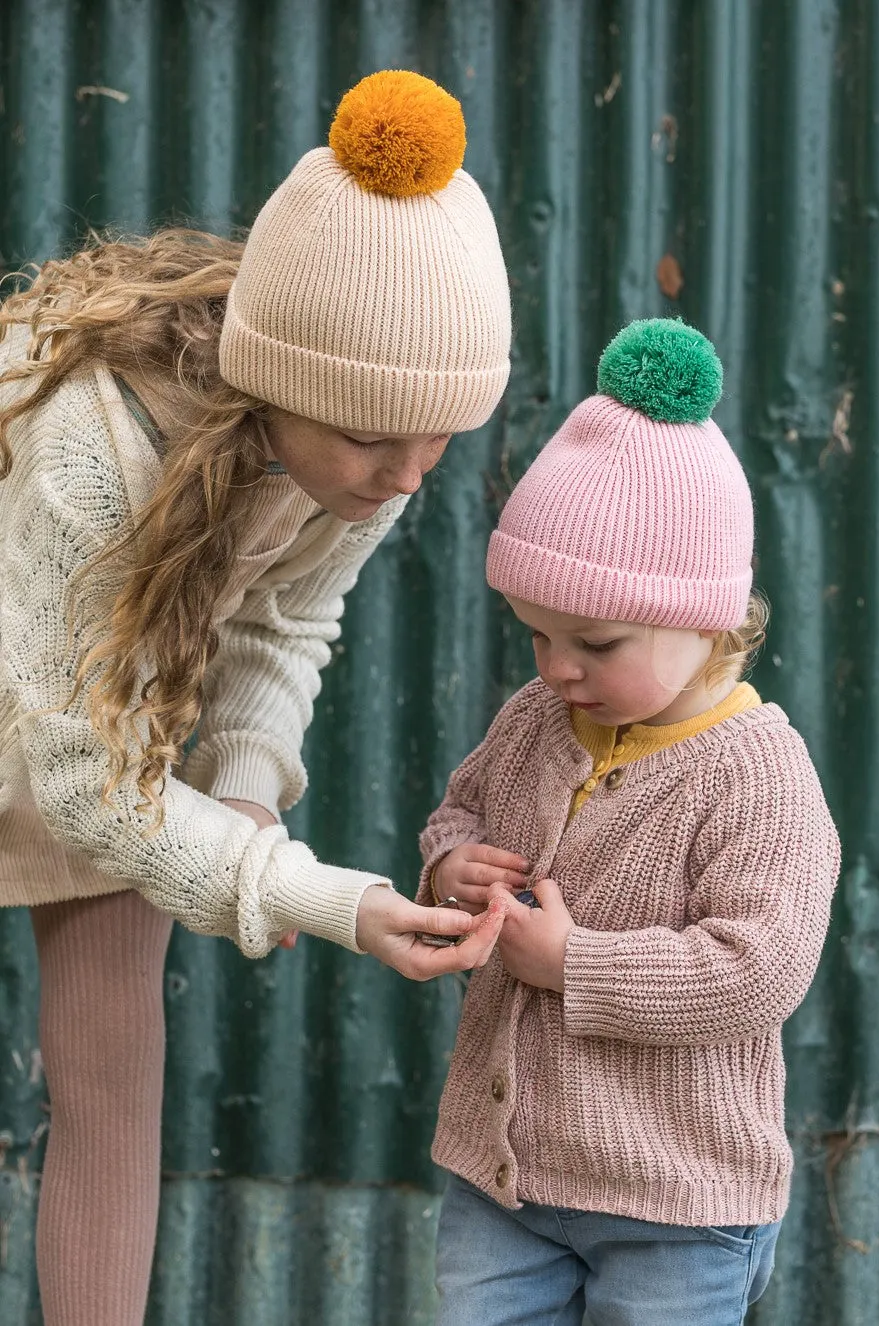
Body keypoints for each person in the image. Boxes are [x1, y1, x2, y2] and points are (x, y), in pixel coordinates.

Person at [0, 70, 511, 1326]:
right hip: (60, 697)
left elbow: (286, 616)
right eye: (376, 441)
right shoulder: (89, 447)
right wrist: (317, 898)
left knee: (114, 1078)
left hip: (104, 705)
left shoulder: (359, 442)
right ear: (275, 385)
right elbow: (82, 783)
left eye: (437, 437)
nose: (408, 474)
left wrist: (238, 799)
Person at [417, 318, 842, 1323]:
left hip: (676, 1204)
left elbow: (759, 968)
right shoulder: (537, 720)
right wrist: (452, 867)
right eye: (537, 635)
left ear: (707, 619)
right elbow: (460, 808)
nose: (557, 668)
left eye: (595, 642)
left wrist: (577, 965)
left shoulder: (760, 777)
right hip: (506, 1183)